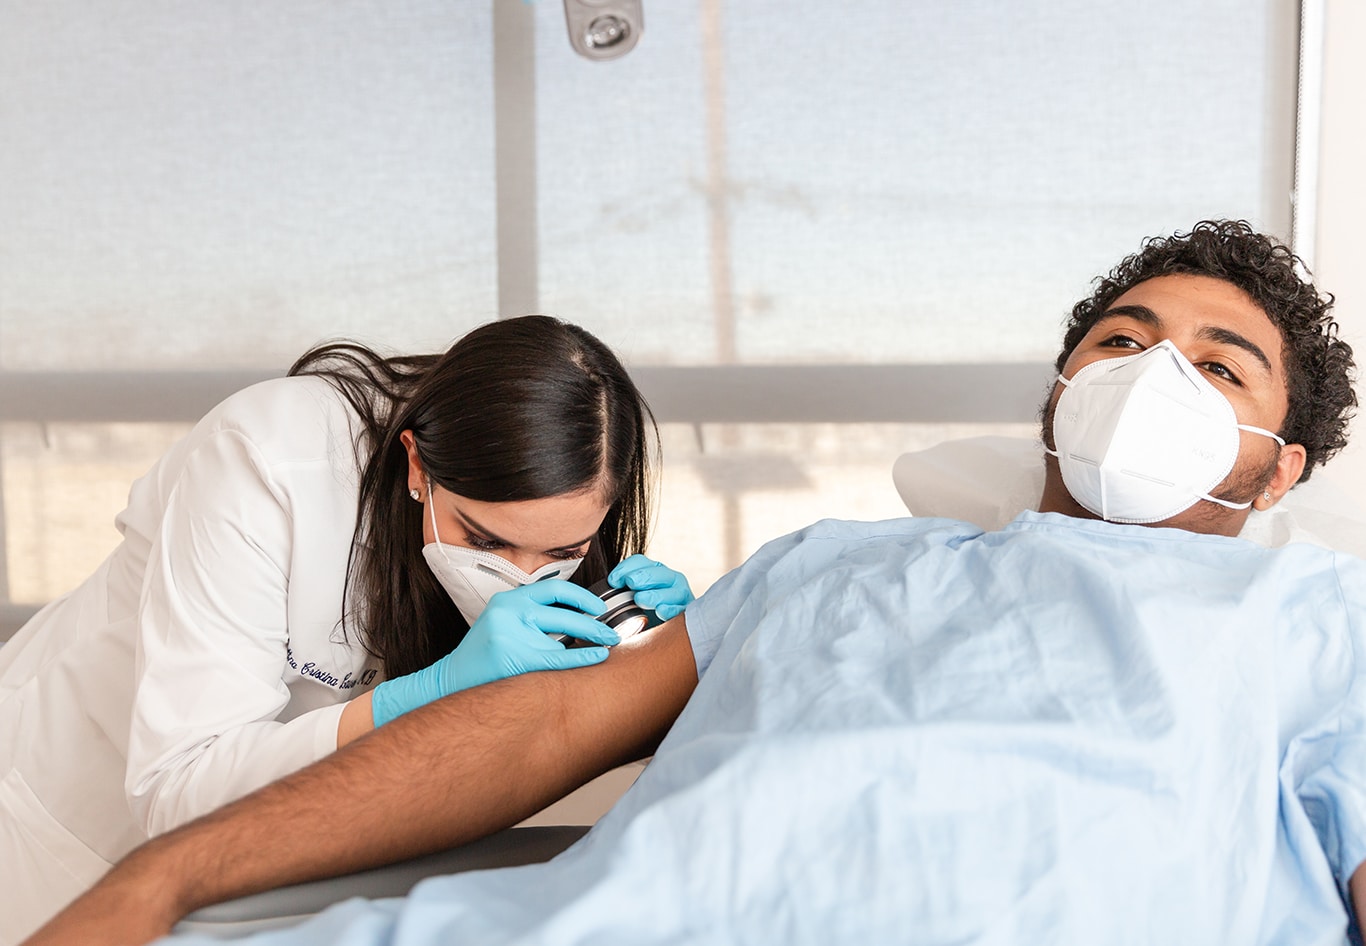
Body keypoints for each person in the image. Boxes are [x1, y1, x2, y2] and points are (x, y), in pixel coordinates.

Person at [23, 221, 1366, 945]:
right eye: (1121, 340)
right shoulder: (833, 561)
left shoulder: (1319, 621)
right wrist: (169, 883)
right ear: (1059, 391)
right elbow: (545, 726)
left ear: (1282, 463)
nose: (1150, 377)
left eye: (1216, 364)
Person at [0, 315, 694, 944]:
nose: (519, 576)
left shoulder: (567, 513)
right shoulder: (269, 459)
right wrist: (423, 695)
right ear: (417, 463)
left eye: (562, 553)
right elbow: (177, 792)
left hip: (266, 862)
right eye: (483, 540)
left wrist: (650, 662)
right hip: (63, 815)